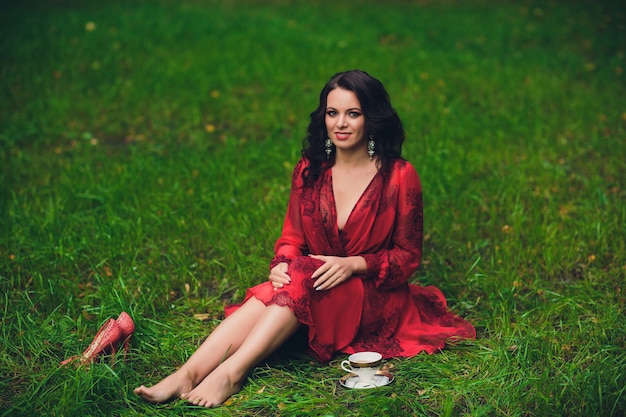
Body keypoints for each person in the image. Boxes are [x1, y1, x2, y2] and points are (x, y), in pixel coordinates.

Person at [134, 69, 475, 407]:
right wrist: (281, 263)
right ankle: (188, 374)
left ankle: (231, 374)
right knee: (286, 281)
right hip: (314, 281)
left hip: (374, 294)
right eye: (332, 113)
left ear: (371, 118)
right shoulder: (310, 170)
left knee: (301, 277)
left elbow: (407, 257)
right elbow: (291, 238)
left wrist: (354, 265)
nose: (340, 123)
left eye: (352, 113)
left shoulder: (399, 176)